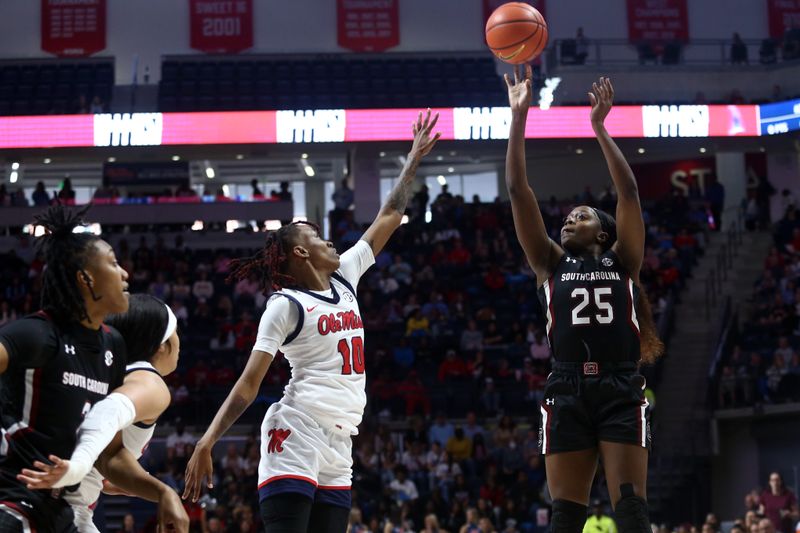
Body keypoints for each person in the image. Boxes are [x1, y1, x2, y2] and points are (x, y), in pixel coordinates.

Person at [182, 109, 441, 532]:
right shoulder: (285, 305)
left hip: (341, 441)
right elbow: (249, 384)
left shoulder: (346, 276)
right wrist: (207, 440)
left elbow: (390, 216)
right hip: (296, 429)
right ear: (301, 253)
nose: (330, 240)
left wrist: (412, 159)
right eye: (318, 238)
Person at [503, 68, 663, 533]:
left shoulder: (624, 259)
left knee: (631, 510)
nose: (568, 220)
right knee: (565, 517)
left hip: (619, 388)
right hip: (567, 388)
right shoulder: (549, 264)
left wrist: (599, 127)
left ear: (605, 230)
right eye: (568, 218)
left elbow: (629, 192)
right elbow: (517, 191)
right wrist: (519, 118)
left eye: (581, 216)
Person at [0, 205, 186, 532]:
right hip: (14, 498)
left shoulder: (112, 346)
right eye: (114, 264)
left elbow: (110, 455)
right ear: (86, 279)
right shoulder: (38, 334)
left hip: (59, 510)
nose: (125, 273)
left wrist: (162, 492)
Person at [17, 294, 183, 533]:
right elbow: (108, 412)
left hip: (30, 497)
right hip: (60, 510)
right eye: (177, 332)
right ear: (162, 345)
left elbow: (105, 454)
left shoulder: (101, 371)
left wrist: (110, 479)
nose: (181, 342)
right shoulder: (150, 383)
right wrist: (80, 465)